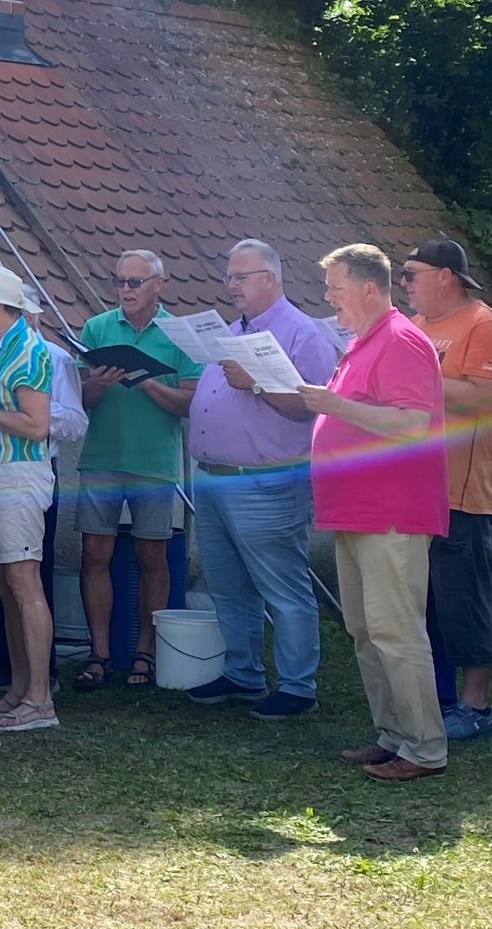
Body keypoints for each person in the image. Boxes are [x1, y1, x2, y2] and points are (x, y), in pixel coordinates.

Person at [301, 243, 450, 782]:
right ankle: (394, 735)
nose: (328, 298)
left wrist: (334, 405)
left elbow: (412, 425)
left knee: (396, 630)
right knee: (366, 630)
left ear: (369, 287)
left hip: (392, 511)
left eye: (335, 288)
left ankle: (425, 749)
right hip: (356, 511)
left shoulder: (401, 339)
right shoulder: (362, 342)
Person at [184, 240, 337, 719]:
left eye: (241, 277)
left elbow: (312, 407)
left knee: (283, 586)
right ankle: (243, 671)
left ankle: (297, 685)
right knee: (228, 585)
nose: (232, 287)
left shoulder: (301, 334)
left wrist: (252, 382)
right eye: (229, 277)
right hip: (213, 478)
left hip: (265, 480)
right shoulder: (232, 331)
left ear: (270, 278)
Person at [401, 238, 492, 740]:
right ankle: (441, 698)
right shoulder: (420, 326)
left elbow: (488, 398)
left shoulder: (483, 324)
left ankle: (476, 707)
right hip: (417, 487)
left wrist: (419, 381)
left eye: (411, 274)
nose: (403, 284)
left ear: (445, 276)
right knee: (426, 602)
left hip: (460, 490)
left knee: (463, 598)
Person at [74, 250, 198, 689]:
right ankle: (100, 654)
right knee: (94, 555)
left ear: (158, 285)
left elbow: (190, 404)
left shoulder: (178, 334)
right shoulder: (97, 328)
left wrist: (144, 381)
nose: (126, 290)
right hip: (102, 458)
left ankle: (146, 651)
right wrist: (99, 384)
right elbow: (80, 402)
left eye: (135, 282)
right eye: (120, 282)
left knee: (152, 556)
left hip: (154, 461)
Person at [0, 284, 84, 696]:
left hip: (17, 473)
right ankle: (19, 689)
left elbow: (37, 426)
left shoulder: (31, 350)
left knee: (24, 581)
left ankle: (39, 696)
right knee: (4, 580)